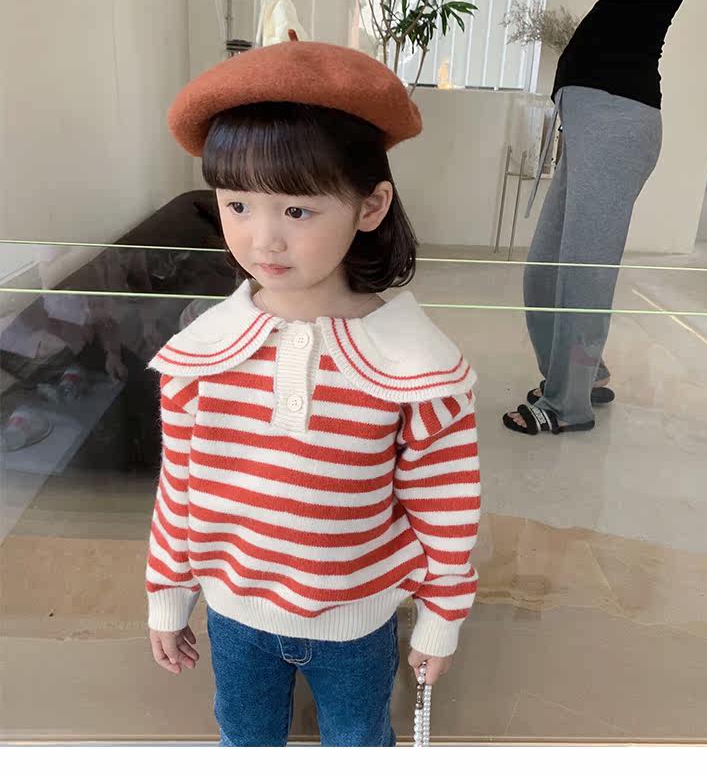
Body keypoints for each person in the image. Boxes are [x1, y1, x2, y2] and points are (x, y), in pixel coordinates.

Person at [145, 37, 481, 747]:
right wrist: (168, 595)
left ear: (371, 204)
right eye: (238, 204)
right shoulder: (201, 355)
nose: (262, 239)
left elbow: (445, 506)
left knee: (360, 745)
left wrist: (441, 617)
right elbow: (181, 485)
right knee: (245, 743)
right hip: (233, 618)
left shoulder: (418, 368)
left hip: (358, 623)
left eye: (297, 211)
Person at [504, 0, 685, 436]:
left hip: (617, 121)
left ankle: (567, 404)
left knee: (584, 278)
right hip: (590, 122)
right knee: (544, 274)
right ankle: (588, 374)